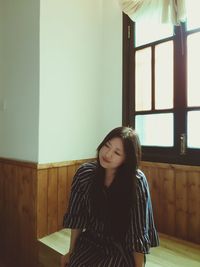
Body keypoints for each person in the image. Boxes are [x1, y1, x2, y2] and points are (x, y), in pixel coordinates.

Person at [61, 126, 159, 267]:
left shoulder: (136, 182)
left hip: (122, 246)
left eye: (117, 153)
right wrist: (71, 252)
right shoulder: (85, 173)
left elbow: (138, 230)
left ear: (127, 159)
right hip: (92, 240)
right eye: (107, 146)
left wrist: (139, 265)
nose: (108, 154)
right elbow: (77, 216)